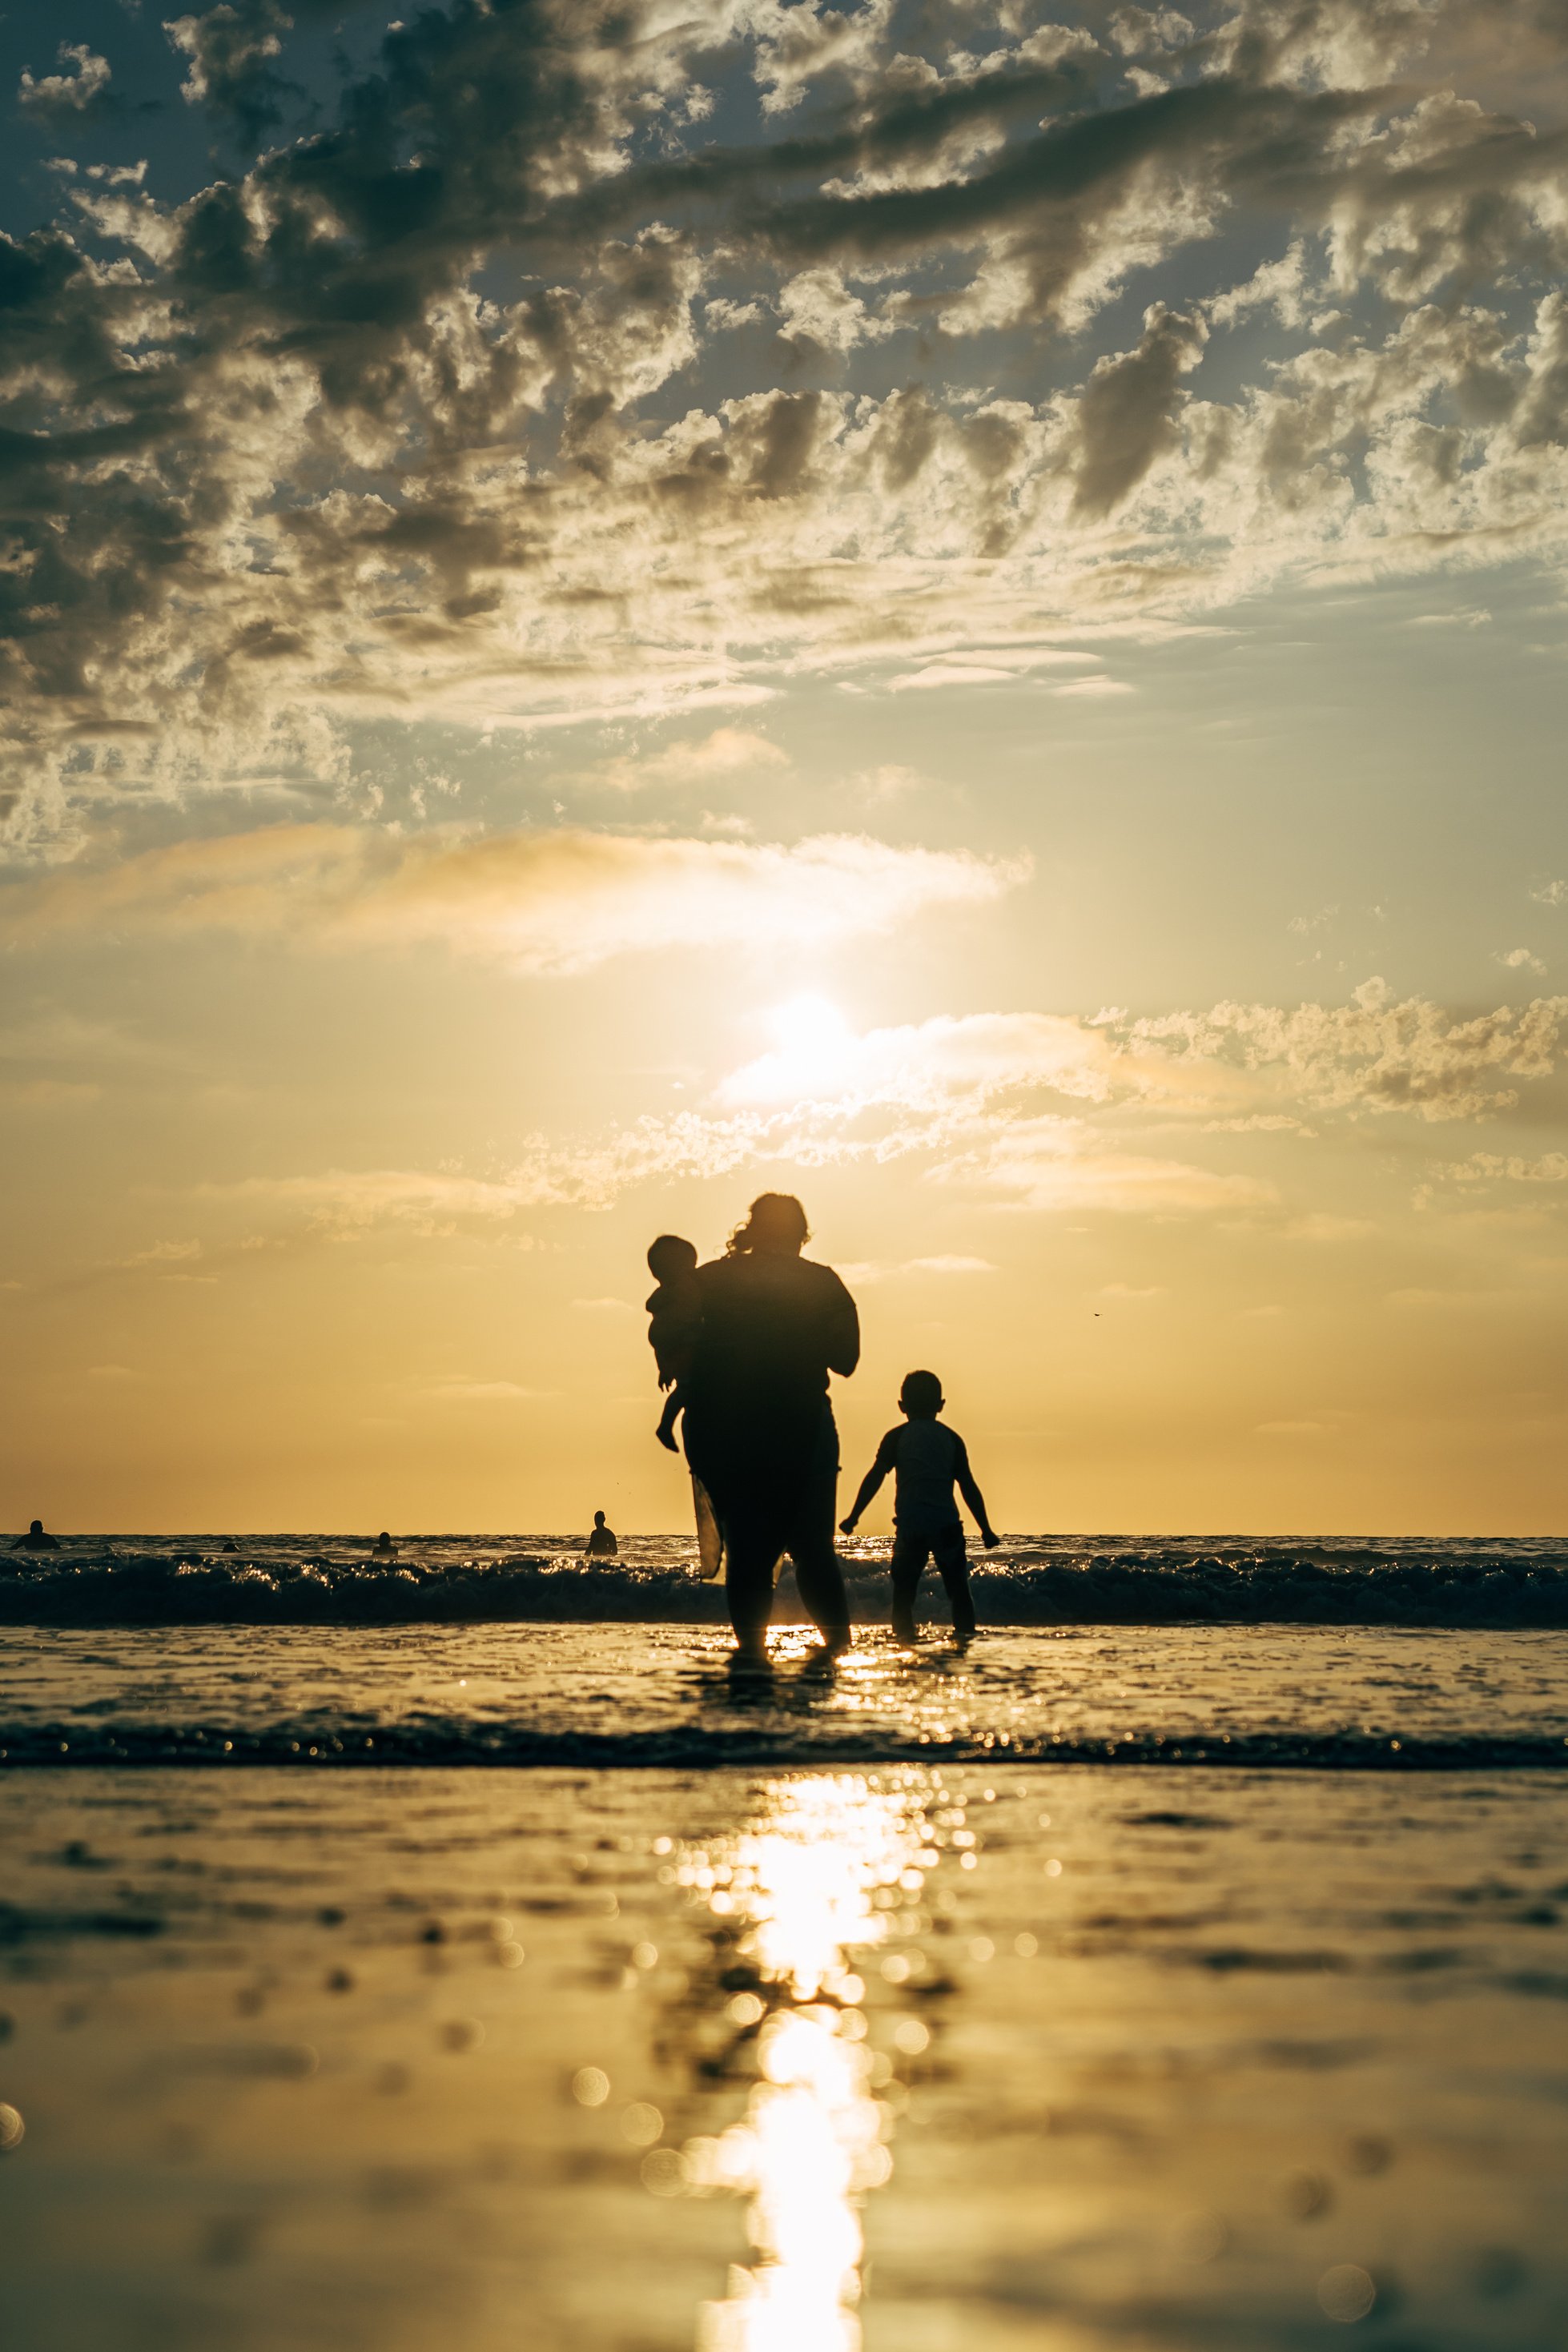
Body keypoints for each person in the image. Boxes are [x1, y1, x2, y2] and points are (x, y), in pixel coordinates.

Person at [680, 1192, 859, 1664]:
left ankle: (752, 1656)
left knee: (748, 1552)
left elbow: (671, 1333)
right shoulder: (821, 1283)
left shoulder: (711, 1279)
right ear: (800, 1234)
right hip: (802, 1424)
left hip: (725, 1427)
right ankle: (836, 1653)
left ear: (752, 1230)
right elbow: (848, 1360)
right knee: (814, 1552)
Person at [840, 1370, 999, 1645]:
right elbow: (968, 1487)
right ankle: (965, 1641)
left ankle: (905, 1642)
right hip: (946, 1526)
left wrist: (854, 1516)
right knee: (958, 1590)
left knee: (904, 1593)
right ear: (941, 1405)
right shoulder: (952, 1439)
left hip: (910, 1527)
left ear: (902, 1406)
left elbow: (875, 1477)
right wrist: (986, 1529)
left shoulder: (896, 1437)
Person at [645, 1234, 701, 1453]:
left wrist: (664, 1367)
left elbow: (660, 1342)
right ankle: (665, 1426)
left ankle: (665, 1426)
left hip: (676, 1348)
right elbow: (663, 1338)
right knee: (687, 1389)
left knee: (686, 1388)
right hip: (682, 1347)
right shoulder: (678, 1293)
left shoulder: (668, 1296)